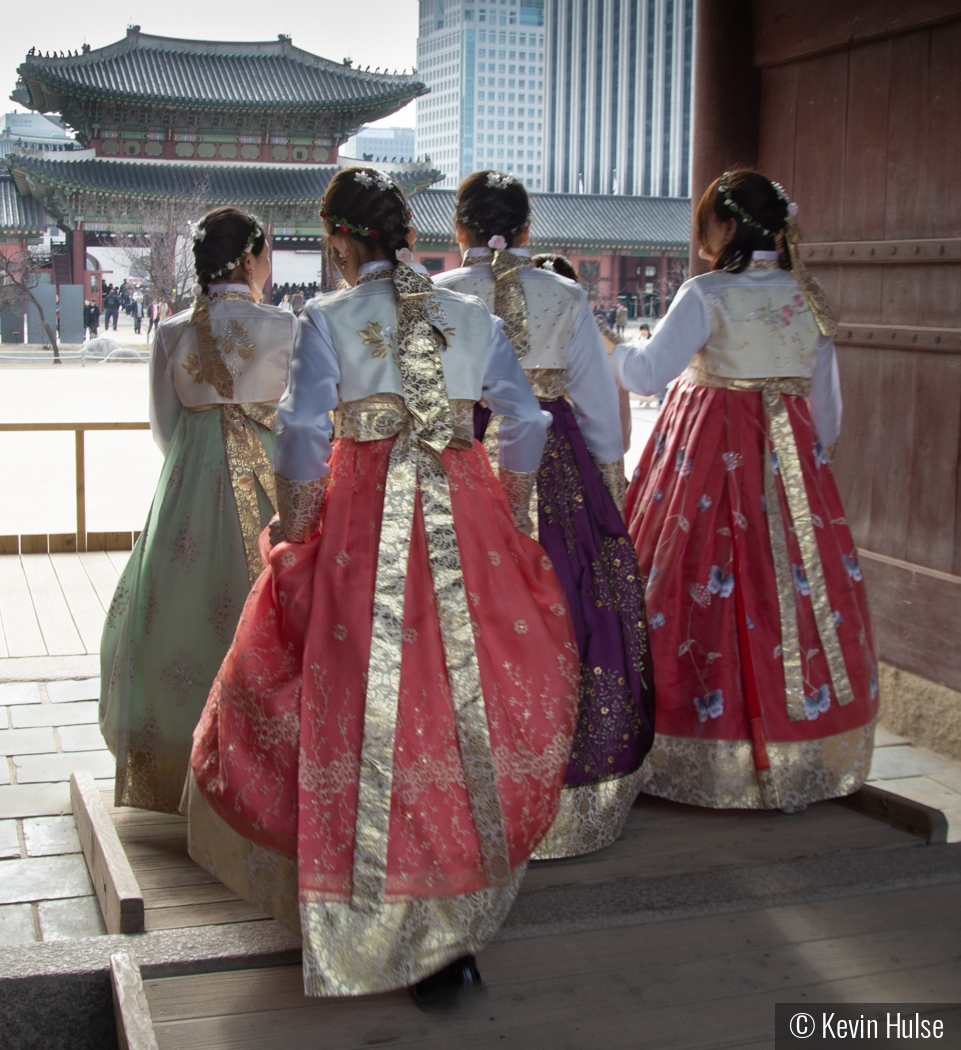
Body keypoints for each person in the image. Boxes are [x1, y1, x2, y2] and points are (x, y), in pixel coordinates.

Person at [187, 168, 579, 1005]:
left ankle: (361, 901)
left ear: (337, 241)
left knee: (362, 701)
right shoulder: (469, 314)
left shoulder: (327, 316)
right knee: (454, 695)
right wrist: (506, 511)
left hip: (361, 527)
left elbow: (299, 434)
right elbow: (528, 416)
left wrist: (295, 524)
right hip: (464, 516)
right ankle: (451, 907)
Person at [610, 169, 878, 813]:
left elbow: (648, 373)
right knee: (790, 583)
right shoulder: (806, 296)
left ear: (726, 228)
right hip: (789, 465)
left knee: (695, 578)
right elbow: (830, 414)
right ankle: (804, 743)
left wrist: (608, 346)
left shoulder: (706, 294)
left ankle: (691, 742)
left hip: (707, 456)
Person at [434, 171, 654, 860]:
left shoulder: (437, 295)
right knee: (567, 605)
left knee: (454, 612)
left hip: (457, 455)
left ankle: (458, 787)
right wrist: (608, 486)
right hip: (556, 463)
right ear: (528, 231)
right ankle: (561, 789)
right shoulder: (563, 293)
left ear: (458, 231)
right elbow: (593, 398)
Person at [99, 207, 297, 814]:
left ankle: (174, 766)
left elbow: (163, 426)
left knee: (179, 608)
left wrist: (192, 466)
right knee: (264, 603)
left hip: (191, 483)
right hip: (271, 478)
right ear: (250, 258)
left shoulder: (170, 331)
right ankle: (258, 772)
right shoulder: (286, 326)